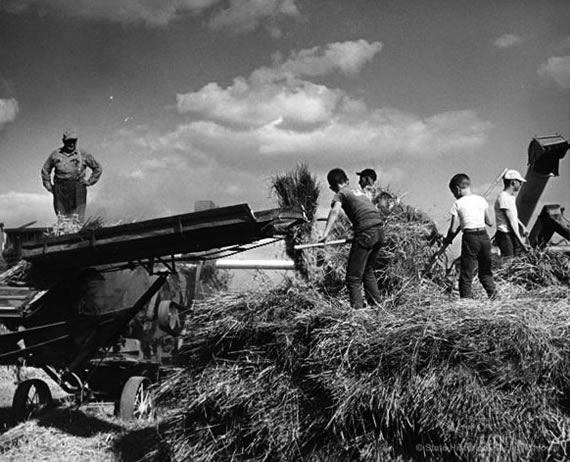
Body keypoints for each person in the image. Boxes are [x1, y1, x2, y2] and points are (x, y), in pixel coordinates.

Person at [320, 168, 385, 308]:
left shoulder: (341, 194)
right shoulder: (359, 192)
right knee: (368, 270)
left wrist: (325, 234)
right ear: (347, 181)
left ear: (332, 187)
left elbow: (335, 210)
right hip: (379, 231)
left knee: (353, 278)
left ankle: (358, 313)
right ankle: (378, 307)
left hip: (366, 232)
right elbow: (366, 211)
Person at [443, 173, 496, 299]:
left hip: (470, 238)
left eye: (453, 192)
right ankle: (494, 296)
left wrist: (447, 240)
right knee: (485, 272)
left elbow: (453, 229)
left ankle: (467, 303)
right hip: (484, 237)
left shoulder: (458, 204)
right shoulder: (481, 200)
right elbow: (490, 222)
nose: (454, 195)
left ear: (457, 189)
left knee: (466, 274)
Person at [41, 130, 102, 221]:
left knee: (77, 218)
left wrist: (89, 182)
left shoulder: (83, 154)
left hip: (78, 188)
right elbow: (45, 170)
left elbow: (98, 168)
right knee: (62, 218)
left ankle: (77, 232)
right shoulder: (55, 154)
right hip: (60, 188)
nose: (72, 144)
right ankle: (65, 233)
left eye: (74, 141)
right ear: (64, 141)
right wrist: (49, 187)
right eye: (69, 141)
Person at [494, 169, 529, 257]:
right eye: (519, 182)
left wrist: (522, 226)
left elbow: (513, 217)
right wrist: (521, 243)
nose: (520, 184)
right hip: (505, 234)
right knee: (509, 260)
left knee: (514, 259)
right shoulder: (504, 197)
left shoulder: (510, 197)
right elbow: (511, 222)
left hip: (510, 233)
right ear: (513, 182)